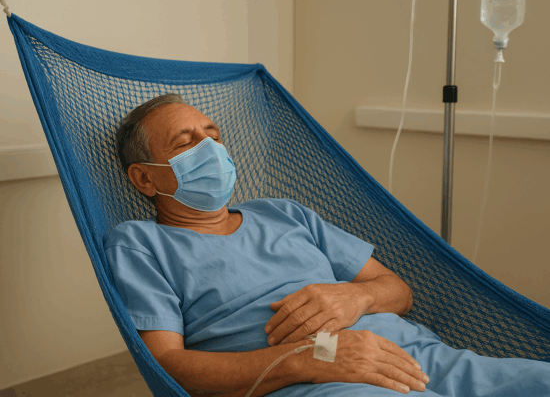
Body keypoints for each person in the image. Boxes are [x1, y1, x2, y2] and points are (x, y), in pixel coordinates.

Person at [105, 93, 550, 397]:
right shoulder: (140, 243)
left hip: (420, 355)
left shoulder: (283, 213)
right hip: (320, 384)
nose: (211, 150)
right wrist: (309, 358)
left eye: (214, 137)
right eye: (186, 144)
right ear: (144, 178)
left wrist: (356, 297)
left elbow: (399, 292)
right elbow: (167, 363)